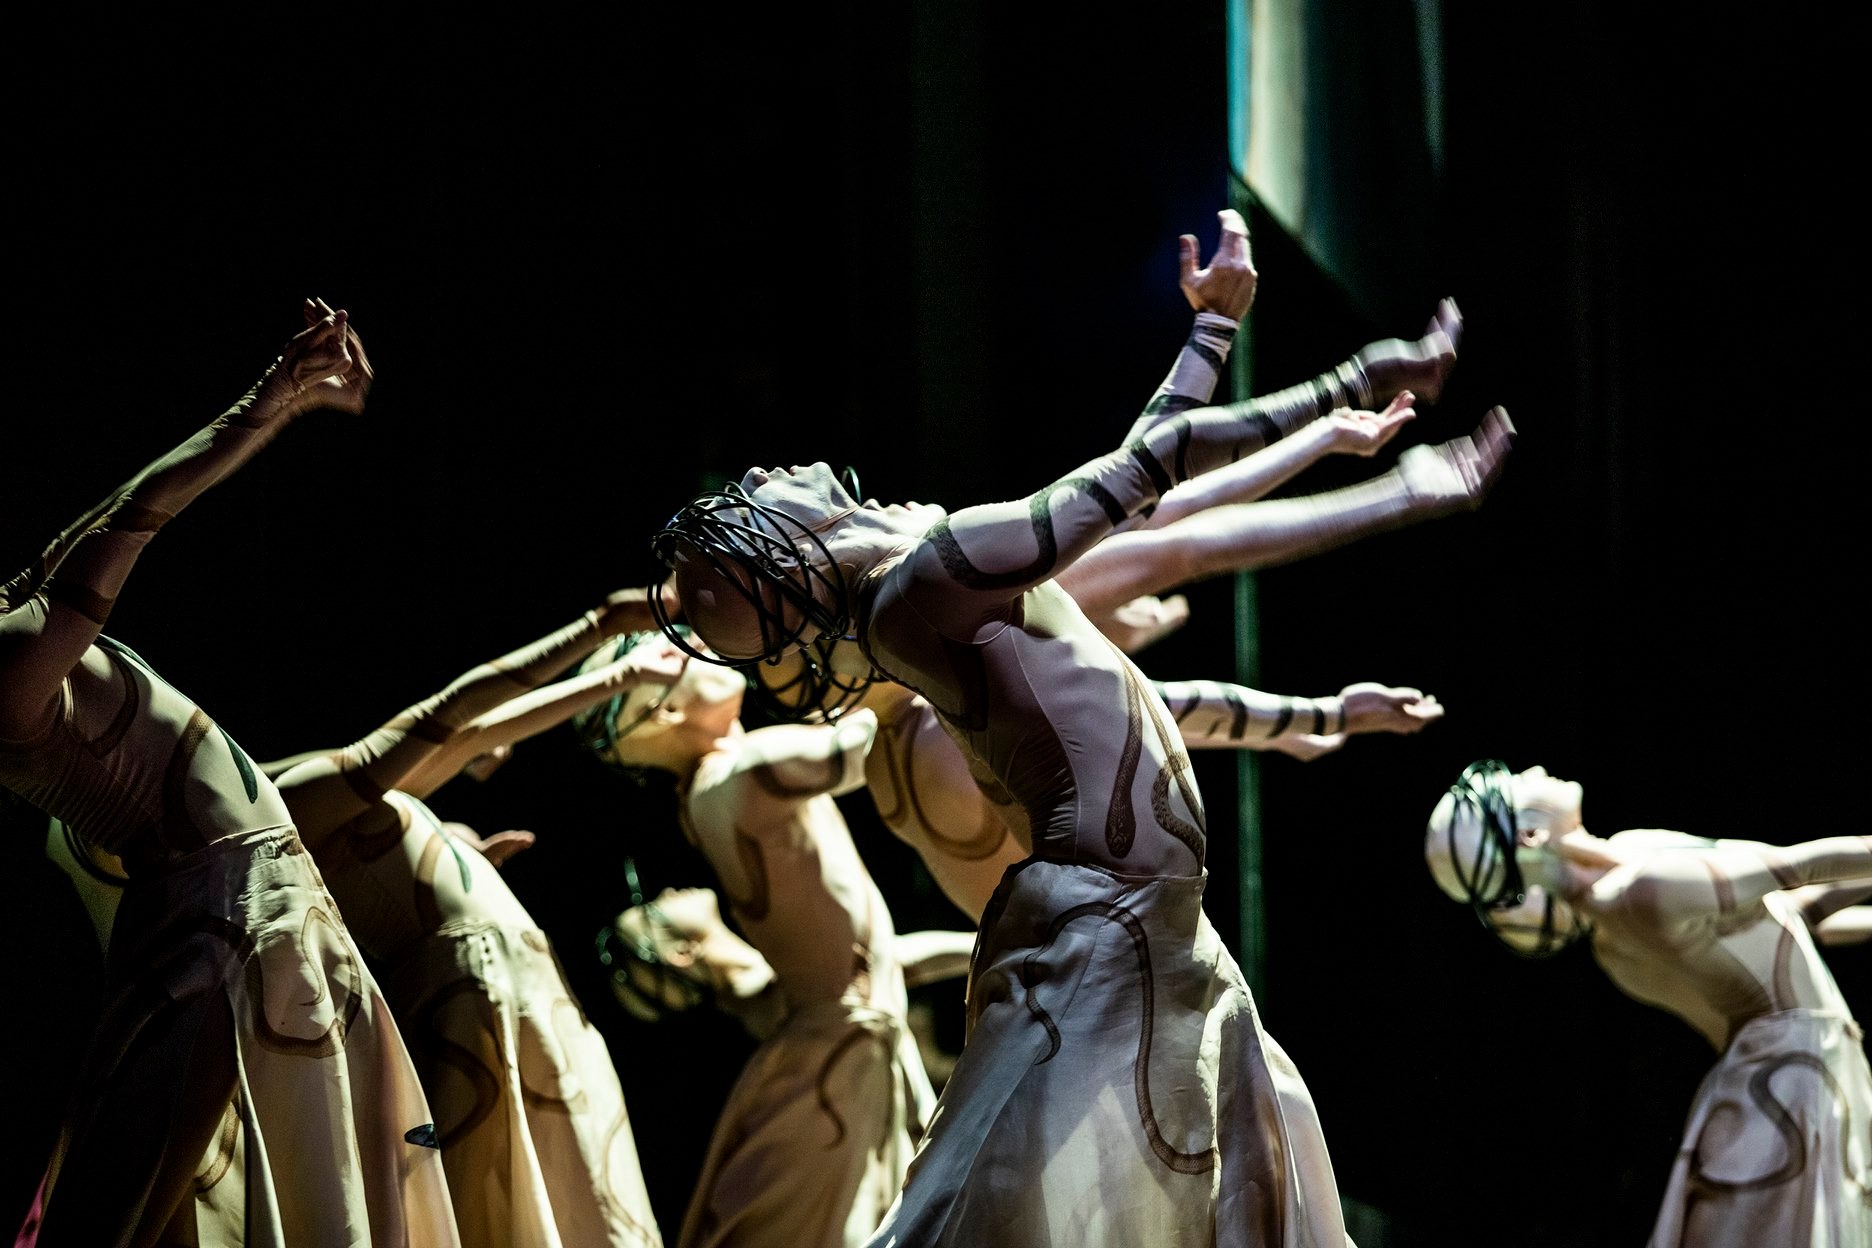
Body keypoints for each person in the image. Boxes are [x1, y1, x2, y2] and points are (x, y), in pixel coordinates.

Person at [651, 209, 1511, 1244]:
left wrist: (1227, 348)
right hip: (1108, 938)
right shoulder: (929, 585)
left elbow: (1138, 511)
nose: (761, 476)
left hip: (1146, 926)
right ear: (791, 558)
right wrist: (1350, 379)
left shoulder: (924, 587)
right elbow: (1153, 481)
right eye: (753, 503)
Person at [0, 302, 460, 1247]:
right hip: (214, 919)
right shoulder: (6, 667)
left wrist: (277, 397)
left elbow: (91, 532)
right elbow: (129, 527)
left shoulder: (11, 618)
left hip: (238, 905)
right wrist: (264, 403)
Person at [265, 598, 683, 1248]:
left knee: (580, 1189)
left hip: (515, 981)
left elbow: (465, 736)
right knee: (510, 1197)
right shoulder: (297, 805)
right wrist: (603, 633)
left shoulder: (329, 797)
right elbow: (453, 718)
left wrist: (460, 860)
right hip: (472, 993)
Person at [573, 630, 970, 1248]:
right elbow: (882, 728)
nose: (694, 645)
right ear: (667, 711)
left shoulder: (712, 791)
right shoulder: (739, 775)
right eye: (669, 657)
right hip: (838, 1064)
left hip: (847, 1054)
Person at [1425, 760, 1872, 1247]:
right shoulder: (1642, 891)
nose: (1534, 769)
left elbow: (1790, 920)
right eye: (1518, 786)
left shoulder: (1623, 901)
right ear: (1530, 836)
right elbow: (1801, 868)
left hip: (1788, 1080)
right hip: (1790, 1089)